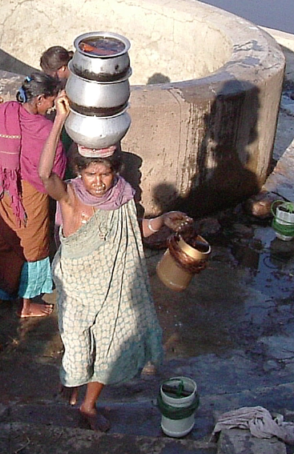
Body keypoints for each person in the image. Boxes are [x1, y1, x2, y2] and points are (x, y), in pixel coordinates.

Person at [38, 93, 193, 432]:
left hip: (114, 294)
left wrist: (162, 220)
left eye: (105, 175)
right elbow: (44, 172)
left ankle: (89, 406)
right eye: (92, 175)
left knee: (108, 349)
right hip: (77, 290)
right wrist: (59, 121)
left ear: (115, 172)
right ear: (80, 173)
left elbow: (133, 231)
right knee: (78, 350)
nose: (99, 182)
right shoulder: (69, 196)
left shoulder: (122, 196)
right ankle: (72, 381)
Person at [0, 73, 67, 319]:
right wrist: (60, 120)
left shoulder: (3, 113)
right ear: (40, 99)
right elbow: (51, 174)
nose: (51, 107)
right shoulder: (45, 129)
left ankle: (0, 293)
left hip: (3, 189)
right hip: (29, 195)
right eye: (50, 101)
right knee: (33, 244)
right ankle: (27, 305)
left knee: (6, 238)